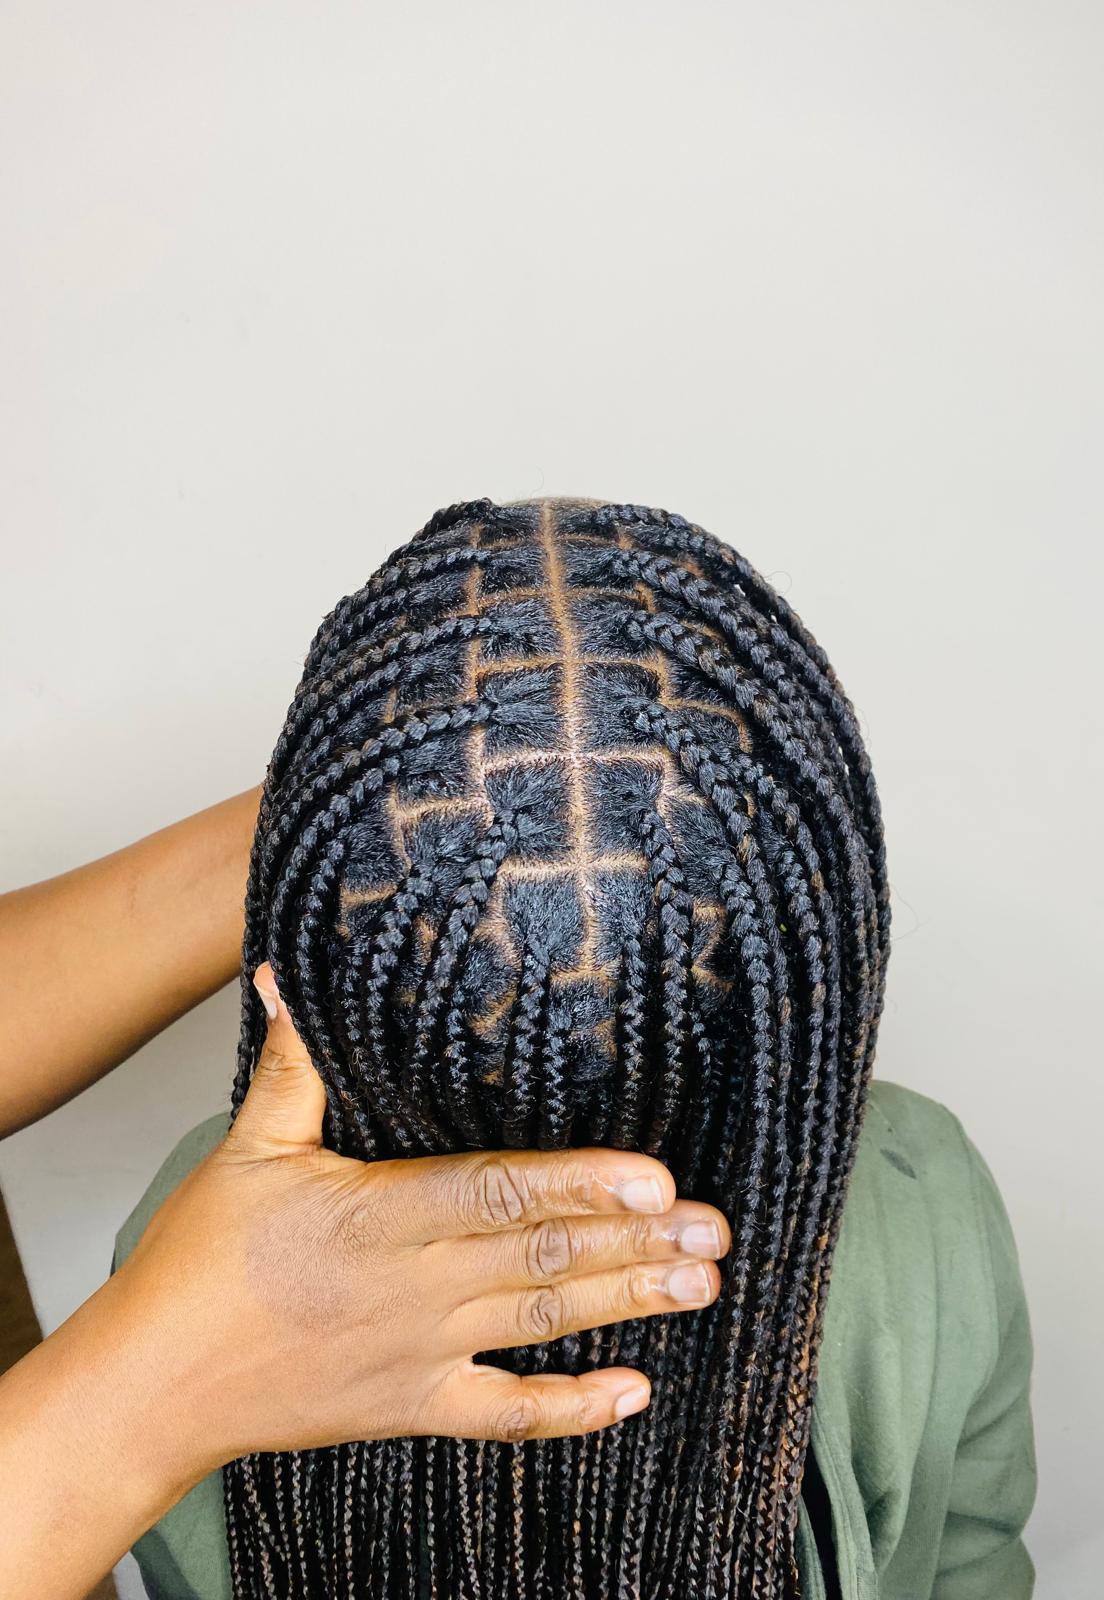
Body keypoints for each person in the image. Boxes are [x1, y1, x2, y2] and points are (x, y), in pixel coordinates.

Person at [1, 497, 1036, 1600]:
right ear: (824, 912)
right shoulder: (929, 1203)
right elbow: (974, 1562)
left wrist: (414, 794)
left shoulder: (187, 1232)